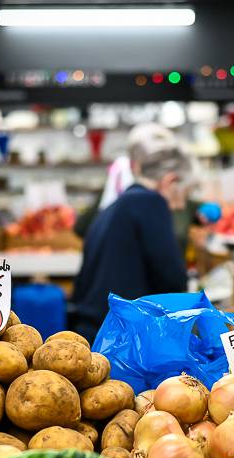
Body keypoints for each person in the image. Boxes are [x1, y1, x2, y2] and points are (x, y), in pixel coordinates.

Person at [70, 124, 190, 343]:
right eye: (185, 190)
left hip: (94, 328)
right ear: (170, 180)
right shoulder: (150, 203)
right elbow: (172, 278)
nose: (182, 203)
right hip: (118, 336)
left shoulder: (118, 205)